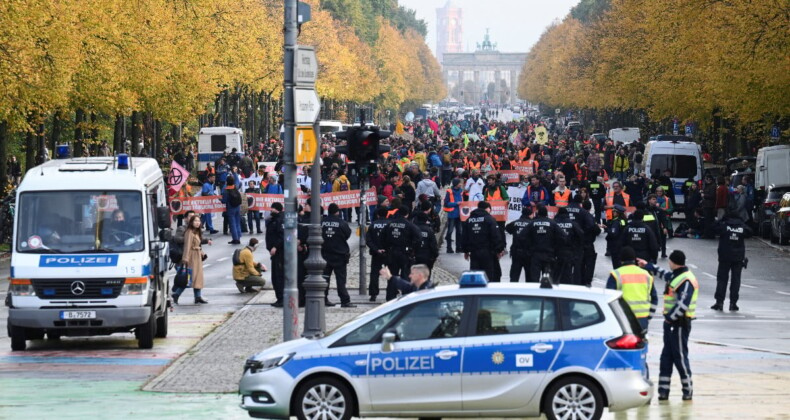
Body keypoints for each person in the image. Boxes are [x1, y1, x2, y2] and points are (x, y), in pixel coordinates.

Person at [638, 250, 698, 401]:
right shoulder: (678, 276)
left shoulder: (686, 280)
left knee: (680, 356)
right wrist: (648, 266)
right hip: (672, 324)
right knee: (666, 358)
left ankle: (687, 390)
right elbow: (664, 274)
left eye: (669, 261)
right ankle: (663, 391)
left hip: (679, 324)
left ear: (673, 262)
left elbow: (683, 303)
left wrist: (670, 319)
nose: (668, 264)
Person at [607, 246, 657, 332]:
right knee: (641, 344)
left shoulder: (616, 274)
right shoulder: (646, 275)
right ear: (635, 259)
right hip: (642, 318)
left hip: (623, 317)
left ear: (621, 260)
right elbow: (654, 298)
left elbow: (608, 297)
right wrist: (649, 316)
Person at [712, 213, 751, 311]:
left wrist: (720, 220)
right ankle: (733, 303)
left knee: (722, 279)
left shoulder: (724, 225)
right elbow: (750, 232)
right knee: (736, 280)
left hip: (725, 256)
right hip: (738, 257)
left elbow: (713, 228)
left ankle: (719, 302)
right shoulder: (742, 226)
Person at [381, 206, 421, 300]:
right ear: (407, 214)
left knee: (392, 276)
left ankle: (390, 298)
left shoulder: (390, 224)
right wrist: (413, 249)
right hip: (405, 253)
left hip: (392, 252)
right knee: (405, 276)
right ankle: (405, 298)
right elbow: (418, 238)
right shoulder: (410, 225)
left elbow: (382, 237)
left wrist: (386, 248)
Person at [521, 204, 567, 283]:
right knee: (548, 280)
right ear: (547, 214)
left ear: (538, 214)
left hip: (535, 255)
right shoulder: (552, 223)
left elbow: (521, 236)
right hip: (549, 255)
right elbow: (563, 237)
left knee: (534, 280)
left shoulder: (532, 223)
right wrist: (556, 248)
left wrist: (528, 248)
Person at [462, 201, 506, 282]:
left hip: (474, 252)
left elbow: (464, 236)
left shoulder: (469, 220)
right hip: (488, 252)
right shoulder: (489, 219)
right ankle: (487, 292)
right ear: (487, 208)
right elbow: (495, 235)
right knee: (489, 274)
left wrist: (465, 250)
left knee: (475, 274)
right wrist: (499, 249)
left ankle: (476, 291)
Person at [321, 203, 355, 307]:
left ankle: (323, 298)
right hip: (339, 255)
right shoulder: (342, 223)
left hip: (325, 254)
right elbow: (348, 234)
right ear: (337, 212)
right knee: (341, 279)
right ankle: (345, 300)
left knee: (325, 278)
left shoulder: (322, 222)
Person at [172, 214, 211, 304]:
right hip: (191, 257)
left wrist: (202, 253)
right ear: (191, 222)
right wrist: (185, 259)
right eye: (195, 221)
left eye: (198, 221)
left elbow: (198, 245)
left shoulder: (196, 232)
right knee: (189, 278)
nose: (197, 223)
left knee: (197, 277)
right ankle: (176, 294)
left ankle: (198, 296)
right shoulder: (189, 232)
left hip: (197, 256)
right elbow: (187, 245)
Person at [554, 207, 584, 285]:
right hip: (569, 251)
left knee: (555, 273)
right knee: (567, 274)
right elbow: (581, 234)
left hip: (556, 252)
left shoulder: (554, 223)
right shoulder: (572, 223)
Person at [366, 207, 390, 302]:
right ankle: (391, 292)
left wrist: (376, 249)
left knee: (374, 274)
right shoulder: (390, 224)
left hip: (376, 253)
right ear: (387, 214)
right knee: (390, 273)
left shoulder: (373, 225)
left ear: (378, 215)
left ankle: (373, 294)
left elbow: (368, 240)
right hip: (388, 253)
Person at [505, 206, 532, 282]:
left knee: (514, 275)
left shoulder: (515, 223)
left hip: (516, 251)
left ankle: (513, 291)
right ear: (530, 215)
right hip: (528, 252)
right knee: (529, 275)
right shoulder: (531, 224)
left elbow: (507, 228)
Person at [265, 202, 285, 307]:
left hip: (279, 252)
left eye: (272, 209)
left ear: (276, 209)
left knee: (278, 276)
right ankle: (279, 298)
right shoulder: (273, 219)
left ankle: (281, 298)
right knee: (276, 277)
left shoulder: (280, 220)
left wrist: (275, 247)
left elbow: (282, 236)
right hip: (275, 253)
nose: (270, 210)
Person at [442, 178, 464, 253]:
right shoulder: (449, 192)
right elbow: (446, 203)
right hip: (452, 215)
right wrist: (456, 203)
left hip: (459, 214)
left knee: (459, 232)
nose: (461, 184)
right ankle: (449, 248)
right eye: (459, 183)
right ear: (456, 184)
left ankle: (458, 247)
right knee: (450, 231)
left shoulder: (461, 191)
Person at [221, 172, 242, 244]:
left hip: (230, 207)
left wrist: (219, 199)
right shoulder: (235, 187)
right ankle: (239, 236)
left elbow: (224, 201)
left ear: (226, 182)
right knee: (237, 222)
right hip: (237, 206)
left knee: (232, 223)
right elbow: (239, 182)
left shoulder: (226, 190)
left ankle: (235, 238)